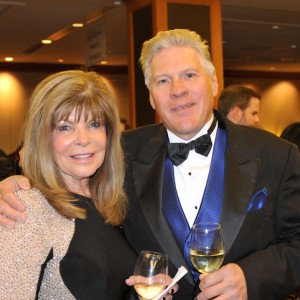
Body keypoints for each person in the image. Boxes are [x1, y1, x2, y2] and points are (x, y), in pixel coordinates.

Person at [1, 29, 300, 299]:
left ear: (213, 81)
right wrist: (12, 186)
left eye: (189, 75)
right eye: (163, 80)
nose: (178, 89)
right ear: (151, 97)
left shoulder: (278, 155)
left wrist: (251, 276)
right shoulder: (118, 153)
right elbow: (57, 174)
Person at [0, 70, 141, 299]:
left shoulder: (111, 202)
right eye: (65, 127)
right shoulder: (25, 210)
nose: (83, 139)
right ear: (42, 137)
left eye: (94, 124)